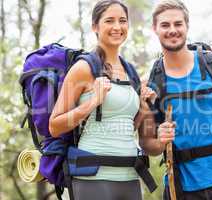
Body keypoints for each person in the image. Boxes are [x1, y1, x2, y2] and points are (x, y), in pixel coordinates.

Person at [139, 0, 212, 199]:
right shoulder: (149, 83)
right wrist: (160, 140)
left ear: (187, 25)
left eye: (178, 24)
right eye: (165, 25)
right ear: (155, 29)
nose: (172, 30)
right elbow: (146, 144)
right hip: (182, 189)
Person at [49, 1, 156, 200]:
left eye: (122, 21)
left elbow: (124, 127)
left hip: (130, 176)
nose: (117, 27)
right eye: (109, 21)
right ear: (95, 27)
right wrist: (92, 102)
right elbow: (55, 126)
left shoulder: (131, 71)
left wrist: (143, 106)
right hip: (93, 178)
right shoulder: (84, 68)